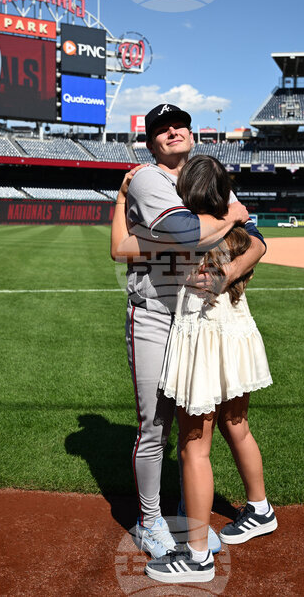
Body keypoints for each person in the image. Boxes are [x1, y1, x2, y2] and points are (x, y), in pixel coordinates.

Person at [109, 104, 266, 561]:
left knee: (195, 426)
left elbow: (258, 241)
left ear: (192, 134)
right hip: (158, 315)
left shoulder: (205, 175)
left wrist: (228, 270)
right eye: (160, 129)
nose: (171, 131)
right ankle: (150, 519)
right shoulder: (147, 179)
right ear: (151, 142)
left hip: (199, 318)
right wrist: (231, 217)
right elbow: (186, 232)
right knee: (155, 425)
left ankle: (188, 513)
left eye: (178, 124)